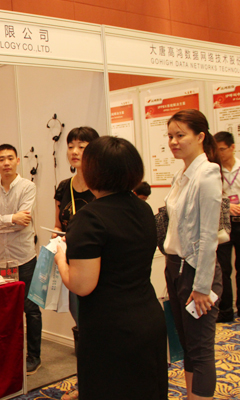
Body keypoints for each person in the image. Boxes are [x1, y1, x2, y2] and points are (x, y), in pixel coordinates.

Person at [55, 136, 168, 400]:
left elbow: (82, 285)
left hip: (110, 328)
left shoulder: (90, 217)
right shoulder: (143, 208)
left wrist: (61, 257)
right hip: (148, 317)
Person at [163, 109, 223, 400]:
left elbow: (209, 235)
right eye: (170, 136)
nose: (173, 142)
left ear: (200, 136)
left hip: (197, 272)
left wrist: (201, 286)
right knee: (186, 345)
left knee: (200, 350)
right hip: (176, 268)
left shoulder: (207, 173)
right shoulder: (182, 174)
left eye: (180, 135)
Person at [0, 143, 41, 374]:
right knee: (3, 310)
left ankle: (34, 357)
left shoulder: (27, 187)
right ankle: (7, 356)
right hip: (0, 260)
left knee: (31, 309)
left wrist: (1, 221)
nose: (6, 163)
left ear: (17, 161)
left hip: (24, 257)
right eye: (1, 159)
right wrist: (11, 218)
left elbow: (22, 222)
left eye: (10, 158)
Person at [52, 126, 99, 399]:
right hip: (71, 265)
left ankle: (100, 387)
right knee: (82, 327)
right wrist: (57, 239)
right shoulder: (63, 187)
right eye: (71, 146)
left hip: (99, 268)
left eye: (82, 146)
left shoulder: (101, 187)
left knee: (98, 331)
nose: (74, 151)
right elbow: (59, 225)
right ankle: (87, 387)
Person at [214, 130, 239, 323]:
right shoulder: (214, 171)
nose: (220, 153)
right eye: (217, 150)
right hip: (222, 223)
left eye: (222, 149)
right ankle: (226, 311)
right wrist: (227, 206)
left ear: (232, 147)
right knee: (223, 269)